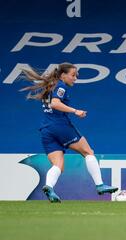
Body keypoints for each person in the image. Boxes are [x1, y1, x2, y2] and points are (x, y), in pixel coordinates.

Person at [21, 62, 118, 202]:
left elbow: (51, 103)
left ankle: (48, 187)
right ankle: (100, 185)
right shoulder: (61, 86)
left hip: (46, 130)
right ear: (63, 75)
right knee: (88, 152)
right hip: (60, 126)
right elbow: (55, 103)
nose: (75, 78)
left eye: (76, 75)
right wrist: (75, 111)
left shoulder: (50, 86)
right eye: (73, 75)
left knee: (58, 165)